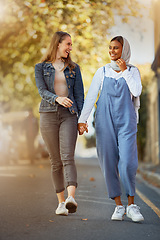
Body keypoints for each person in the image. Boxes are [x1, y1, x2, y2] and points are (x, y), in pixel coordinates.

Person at [78, 36, 144, 222]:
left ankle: (132, 205)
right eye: (110, 48)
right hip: (104, 121)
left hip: (126, 121)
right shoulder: (102, 71)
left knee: (128, 163)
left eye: (116, 48)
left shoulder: (133, 71)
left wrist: (125, 71)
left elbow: (137, 91)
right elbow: (91, 96)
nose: (112, 51)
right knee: (108, 162)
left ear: (124, 50)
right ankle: (118, 206)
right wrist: (82, 121)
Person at [35, 31, 84, 216]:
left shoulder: (74, 68)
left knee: (67, 157)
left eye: (71, 45)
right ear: (58, 44)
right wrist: (57, 99)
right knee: (55, 162)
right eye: (68, 44)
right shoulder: (40, 67)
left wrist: (81, 120)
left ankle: (71, 198)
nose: (70, 47)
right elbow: (42, 91)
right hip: (47, 115)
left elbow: (79, 95)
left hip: (69, 115)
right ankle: (61, 203)